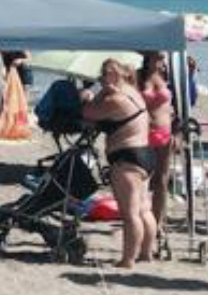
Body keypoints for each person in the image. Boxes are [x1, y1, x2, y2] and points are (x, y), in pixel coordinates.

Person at [82, 59, 157, 269]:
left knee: (129, 213)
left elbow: (88, 113)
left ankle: (128, 260)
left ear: (113, 75)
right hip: (145, 154)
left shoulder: (115, 98)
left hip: (127, 157)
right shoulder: (132, 91)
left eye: (104, 74)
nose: (102, 78)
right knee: (144, 210)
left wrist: (90, 95)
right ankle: (146, 253)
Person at [137, 52, 174, 229]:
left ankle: (158, 222)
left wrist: (178, 133)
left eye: (162, 58)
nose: (160, 60)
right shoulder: (138, 76)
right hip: (142, 133)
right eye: (157, 57)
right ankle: (140, 220)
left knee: (161, 180)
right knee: (141, 180)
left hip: (164, 131)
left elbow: (179, 106)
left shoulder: (168, 75)